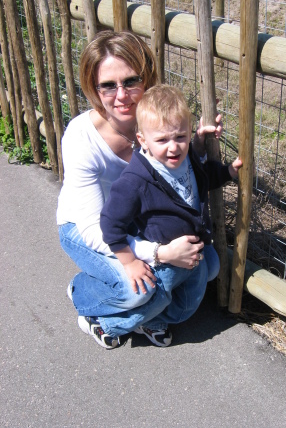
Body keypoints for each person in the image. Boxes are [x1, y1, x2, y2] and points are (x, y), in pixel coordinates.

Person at [57, 30, 223, 350]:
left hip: (140, 221)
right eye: (108, 85)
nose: (121, 95)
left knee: (210, 266)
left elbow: (178, 169)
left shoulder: (155, 120)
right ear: (94, 89)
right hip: (87, 227)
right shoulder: (81, 139)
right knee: (141, 290)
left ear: (146, 79)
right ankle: (87, 296)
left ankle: (146, 317)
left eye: (131, 81)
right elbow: (97, 228)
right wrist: (157, 254)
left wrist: (198, 142)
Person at [100, 84, 242, 338]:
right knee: (168, 303)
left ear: (188, 132)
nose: (173, 147)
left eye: (179, 137)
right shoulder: (135, 181)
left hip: (192, 247)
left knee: (211, 267)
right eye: (162, 140)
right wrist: (130, 262)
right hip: (164, 260)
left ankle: (156, 318)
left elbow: (202, 178)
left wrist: (228, 172)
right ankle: (109, 325)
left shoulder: (184, 159)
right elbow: (110, 225)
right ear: (143, 140)